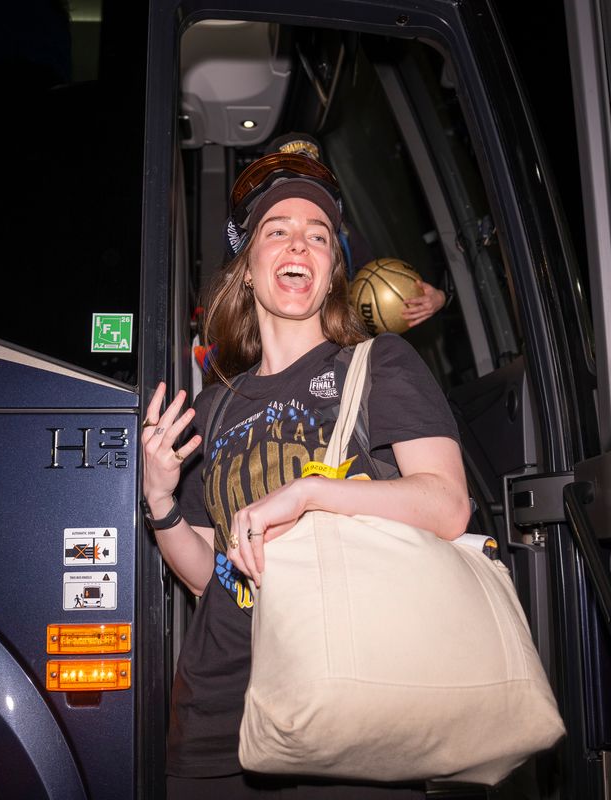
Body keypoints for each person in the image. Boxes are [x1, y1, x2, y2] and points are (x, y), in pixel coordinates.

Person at [140, 150, 471, 798]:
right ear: (248, 269)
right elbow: (211, 576)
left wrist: (310, 493)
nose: (300, 243)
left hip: (349, 718)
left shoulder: (379, 366)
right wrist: (161, 503)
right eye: (278, 230)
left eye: (318, 235)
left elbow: (446, 506)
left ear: (331, 273)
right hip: (217, 727)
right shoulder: (215, 405)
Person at [266, 132, 448, 329]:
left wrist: (430, 298)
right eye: (290, 184)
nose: (302, 195)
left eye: (313, 182)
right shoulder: (253, 238)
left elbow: (374, 285)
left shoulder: (343, 232)